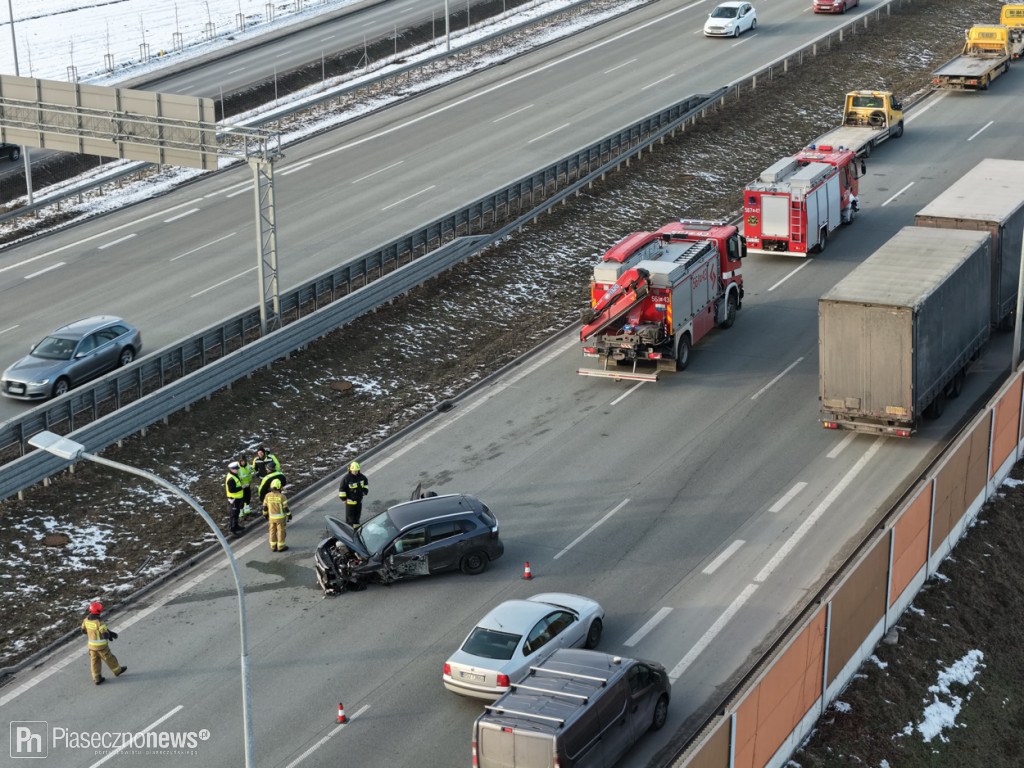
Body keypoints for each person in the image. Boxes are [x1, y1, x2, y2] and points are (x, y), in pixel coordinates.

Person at [81, 602, 126, 685]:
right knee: (110, 658)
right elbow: (105, 634)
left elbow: (83, 630)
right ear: (99, 612)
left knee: (94, 662)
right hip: (102, 647)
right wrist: (109, 635)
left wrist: (92, 634)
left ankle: (97, 678)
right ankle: (117, 671)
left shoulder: (86, 620)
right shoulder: (99, 623)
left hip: (91, 647)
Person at [262, 478, 291, 552]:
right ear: (279, 487)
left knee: (272, 531)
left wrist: (265, 514)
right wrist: (289, 515)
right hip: (280, 519)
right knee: (281, 531)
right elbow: (285, 509)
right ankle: (281, 546)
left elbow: (264, 507)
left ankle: (273, 546)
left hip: (271, 518)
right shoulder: (282, 497)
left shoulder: (267, 496)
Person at [338, 461, 369, 527]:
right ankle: (350, 529)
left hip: (359, 500)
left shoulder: (362, 477)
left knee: (357, 517)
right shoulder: (346, 478)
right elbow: (342, 489)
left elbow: (366, 484)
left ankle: (356, 529)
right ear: (350, 470)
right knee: (350, 518)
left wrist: (365, 491)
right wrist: (343, 499)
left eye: (357, 470)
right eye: (354, 471)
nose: (355, 472)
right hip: (350, 502)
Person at [225, 461, 245, 535]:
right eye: (236, 469)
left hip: (237, 498)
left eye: (237, 469)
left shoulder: (234, 475)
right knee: (233, 514)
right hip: (233, 499)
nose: (237, 470)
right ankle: (232, 529)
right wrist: (241, 488)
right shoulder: (231, 479)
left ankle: (236, 526)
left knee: (236, 513)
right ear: (231, 469)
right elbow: (231, 490)